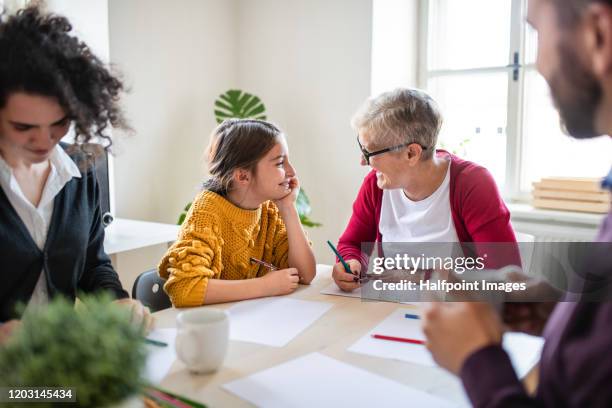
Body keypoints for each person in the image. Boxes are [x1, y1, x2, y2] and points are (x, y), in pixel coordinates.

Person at [423, 0, 612, 406]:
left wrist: (478, 359)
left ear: (598, 35)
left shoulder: (470, 180)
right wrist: (564, 313)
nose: (538, 64)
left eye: (537, 32)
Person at [0, 6, 152, 337]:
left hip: (56, 367)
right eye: (24, 126)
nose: (44, 140)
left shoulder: (79, 171)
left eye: (59, 123)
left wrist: (115, 301)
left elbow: (93, 264)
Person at [333, 88, 518, 292]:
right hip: (393, 311)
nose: (362, 161)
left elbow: (505, 276)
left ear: (411, 153)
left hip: (458, 314)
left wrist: (420, 275)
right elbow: (351, 243)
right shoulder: (376, 185)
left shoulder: (472, 184)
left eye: (369, 152)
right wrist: (350, 262)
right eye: (362, 148)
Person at [158, 118, 316, 307]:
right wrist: (264, 286)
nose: (292, 171)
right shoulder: (207, 211)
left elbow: (305, 274)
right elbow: (185, 289)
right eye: (280, 163)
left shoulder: (270, 208)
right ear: (243, 176)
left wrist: (288, 208)